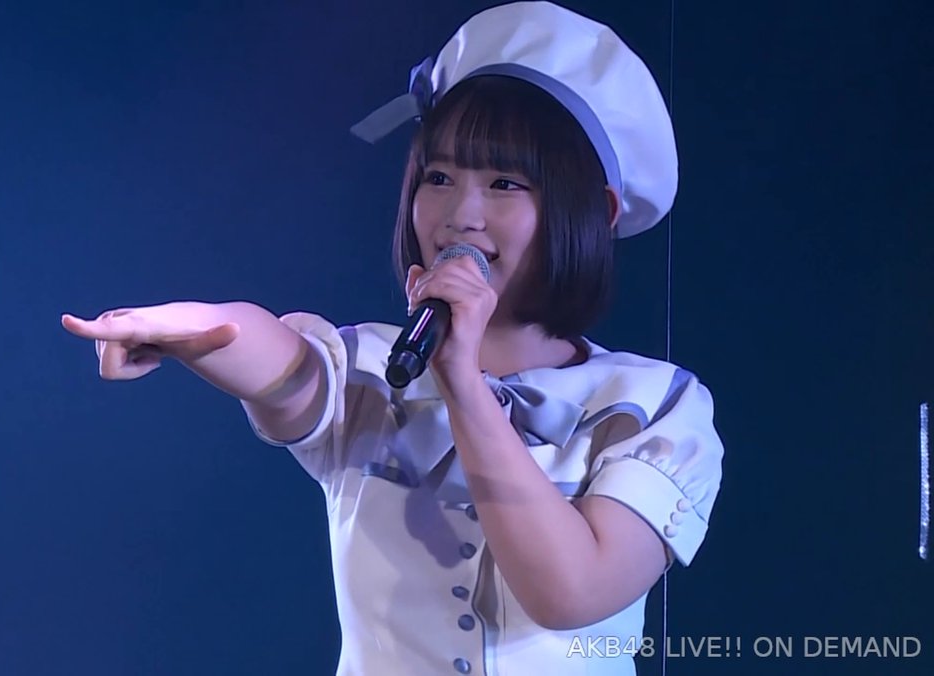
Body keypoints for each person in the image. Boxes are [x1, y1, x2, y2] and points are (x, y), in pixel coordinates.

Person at [62, 2, 724, 674]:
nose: (461, 214)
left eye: (504, 183)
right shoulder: (374, 368)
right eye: (439, 178)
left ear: (596, 211)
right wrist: (182, 325)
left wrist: (463, 384)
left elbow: (570, 592)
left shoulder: (657, 407)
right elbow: (277, 359)